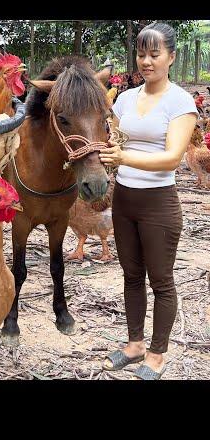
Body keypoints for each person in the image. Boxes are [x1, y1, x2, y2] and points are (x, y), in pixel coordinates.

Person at [98, 22, 198, 380]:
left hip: (158, 203)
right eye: (141, 54)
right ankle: (135, 343)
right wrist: (110, 151)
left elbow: (172, 158)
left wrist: (123, 159)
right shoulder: (125, 99)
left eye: (155, 54)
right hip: (125, 199)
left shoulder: (180, 101)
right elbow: (119, 143)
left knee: (161, 280)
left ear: (171, 56)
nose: (146, 61)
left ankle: (157, 354)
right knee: (131, 276)